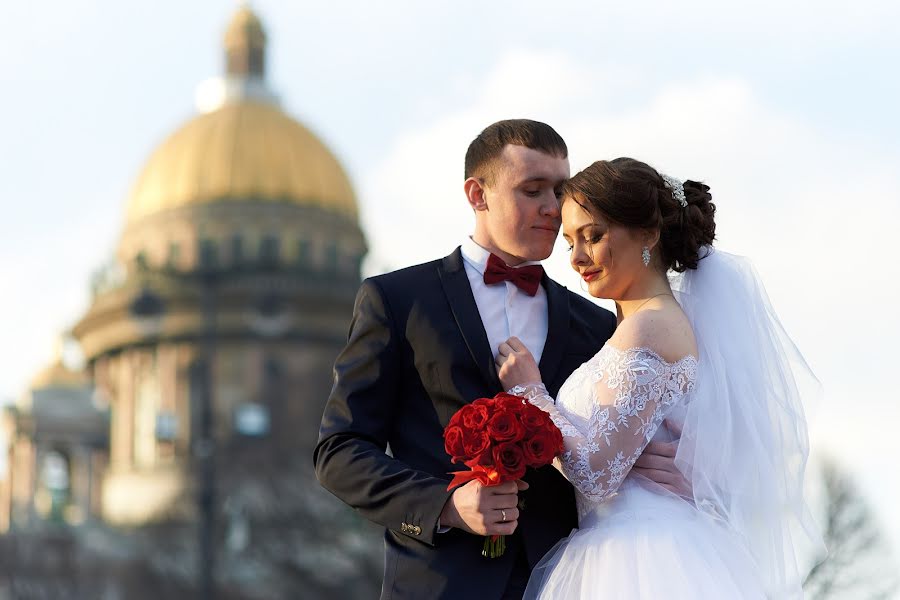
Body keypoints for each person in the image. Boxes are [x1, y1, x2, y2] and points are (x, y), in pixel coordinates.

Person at [313, 121, 686, 599]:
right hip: (438, 586)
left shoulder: (598, 324)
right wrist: (446, 505)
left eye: (559, 190)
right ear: (477, 194)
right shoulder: (398, 300)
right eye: (533, 191)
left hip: (568, 581)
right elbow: (338, 451)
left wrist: (656, 465)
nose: (553, 208)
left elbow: (608, 446)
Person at [496, 157, 823, 599]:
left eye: (593, 236)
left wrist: (530, 393)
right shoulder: (658, 323)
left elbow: (598, 475)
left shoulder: (649, 326)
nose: (576, 258)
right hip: (630, 543)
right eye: (569, 242)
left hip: (639, 558)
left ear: (649, 233)